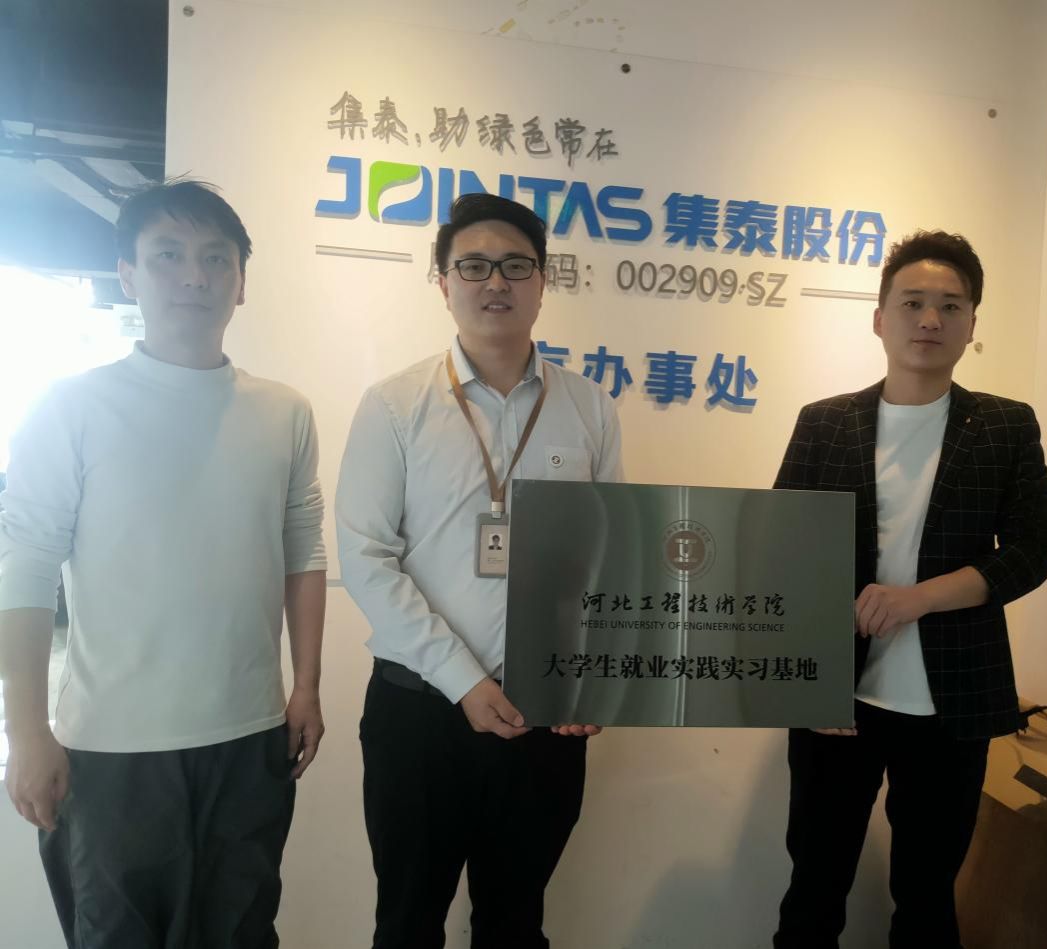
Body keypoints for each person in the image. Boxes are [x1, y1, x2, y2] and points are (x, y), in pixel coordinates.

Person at [0, 180, 327, 948]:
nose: (194, 276)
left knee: (242, 931)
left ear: (241, 282)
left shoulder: (283, 410)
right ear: (129, 274)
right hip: (114, 746)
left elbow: (303, 546)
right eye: (169, 255)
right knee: (118, 935)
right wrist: (27, 731)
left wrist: (307, 684)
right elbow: (26, 568)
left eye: (216, 258)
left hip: (250, 736)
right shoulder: (72, 407)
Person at [336, 192, 622, 949]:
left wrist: (590, 674)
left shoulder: (590, 408)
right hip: (419, 713)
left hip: (543, 711)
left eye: (516, 266)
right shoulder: (394, 405)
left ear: (542, 282)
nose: (496, 282)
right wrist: (463, 679)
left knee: (515, 923)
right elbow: (366, 556)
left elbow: (609, 557)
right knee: (407, 923)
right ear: (443, 282)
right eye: (473, 266)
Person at [771, 230, 1047, 949]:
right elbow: (780, 549)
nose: (930, 319)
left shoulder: (1005, 425)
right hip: (837, 698)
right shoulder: (824, 422)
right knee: (814, 887)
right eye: (913, 303)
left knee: (928, 897)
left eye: (950, 305)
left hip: (952, 702)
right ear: (880, 317)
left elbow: (1033, 552)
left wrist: (918, 598)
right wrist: (810, 680)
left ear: (971, 323)